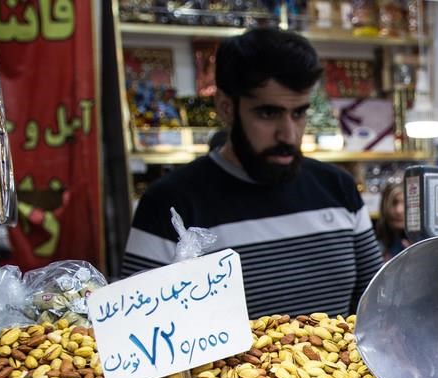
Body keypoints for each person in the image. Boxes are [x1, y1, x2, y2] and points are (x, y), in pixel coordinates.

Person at [122, 28, 381, 319]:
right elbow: (137, 332)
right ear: (226, 107)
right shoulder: (169, 205)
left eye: (299, 113)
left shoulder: (340, 189)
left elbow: (376, 309)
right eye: (268, 114)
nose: (288, 133)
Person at [375, 177, 409, 260]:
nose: (399, 210)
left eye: (406, 203)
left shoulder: (424, 245)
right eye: (393, 203)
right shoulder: (374, 245)